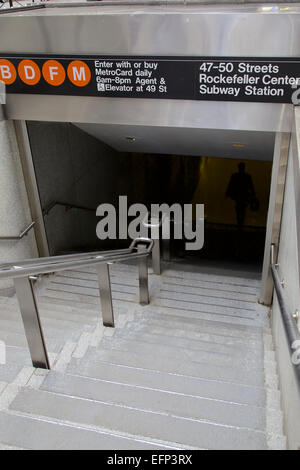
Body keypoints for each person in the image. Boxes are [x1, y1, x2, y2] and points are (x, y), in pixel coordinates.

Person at [226, 162, 255, 228]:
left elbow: (230, 185)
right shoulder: (247, 176)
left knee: (239, 210)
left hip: (238, 195)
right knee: (242, 210)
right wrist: (253, 195)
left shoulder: (235, 176)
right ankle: (240, 224)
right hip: (244, 196)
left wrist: (227, 193)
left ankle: (239, 223)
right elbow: (251, 187)